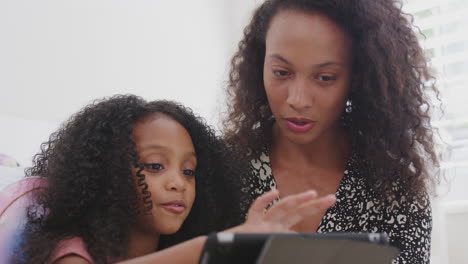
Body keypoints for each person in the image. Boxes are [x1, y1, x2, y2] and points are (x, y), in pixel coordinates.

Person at [222, 0, 440, 263]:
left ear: (358, 78)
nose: (298, 99)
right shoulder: (221, 167)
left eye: (325, 77)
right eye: (281, 72)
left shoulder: (395, 187)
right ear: (260, 66)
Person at [13, 95, 335, 264]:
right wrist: (215, 248)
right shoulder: (72, 250)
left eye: (189, 171)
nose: (178, 183)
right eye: (155, 166)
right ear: (104, 174)